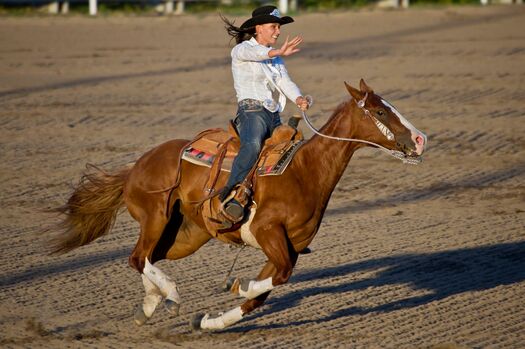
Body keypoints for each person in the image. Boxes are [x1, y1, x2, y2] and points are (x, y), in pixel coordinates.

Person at [219, 5, 310, 223]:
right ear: (258, 28)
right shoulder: (242, 50)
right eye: (274, 27)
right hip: (251, 112)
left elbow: (283, 81)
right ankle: (230, 194)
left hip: (273, 114)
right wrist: (278, 52)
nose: (278, 31)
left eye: (278, 27)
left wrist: (298, 98)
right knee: (253, 146)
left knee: (292, 151)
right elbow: (256, 53)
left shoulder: (274, 58)